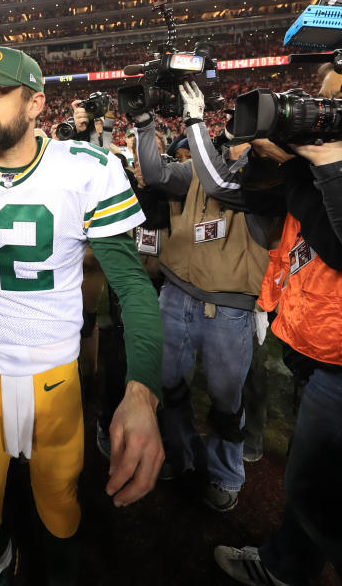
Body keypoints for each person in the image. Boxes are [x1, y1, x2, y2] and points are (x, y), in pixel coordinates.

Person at [0, 47, 164, 585]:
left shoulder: (87, 170)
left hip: (55, 370)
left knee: (59, 505)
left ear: (35, 104)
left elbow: (132, 287)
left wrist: (141, 391)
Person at [209, 69, 342, 586]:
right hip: (313, 341)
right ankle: (287, 566)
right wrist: (284, 160)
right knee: (311, 484)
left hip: (334, 358)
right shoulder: (314, 169)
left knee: (314, 489)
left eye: (332, 106)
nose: (324, 114)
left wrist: (321, 164)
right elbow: (247, 197)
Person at [135, 81, 280, 512]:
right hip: (176, 295)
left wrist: (194, 120)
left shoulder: (269, 180)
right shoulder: (204, 167)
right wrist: (145, 124)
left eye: (242, 134)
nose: (233, 138)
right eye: (231, 131)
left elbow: (218, 187)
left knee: (224, 403)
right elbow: (156, 173)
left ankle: (225, 474)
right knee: (168, 387)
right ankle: (179, 455)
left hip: (228, 309)